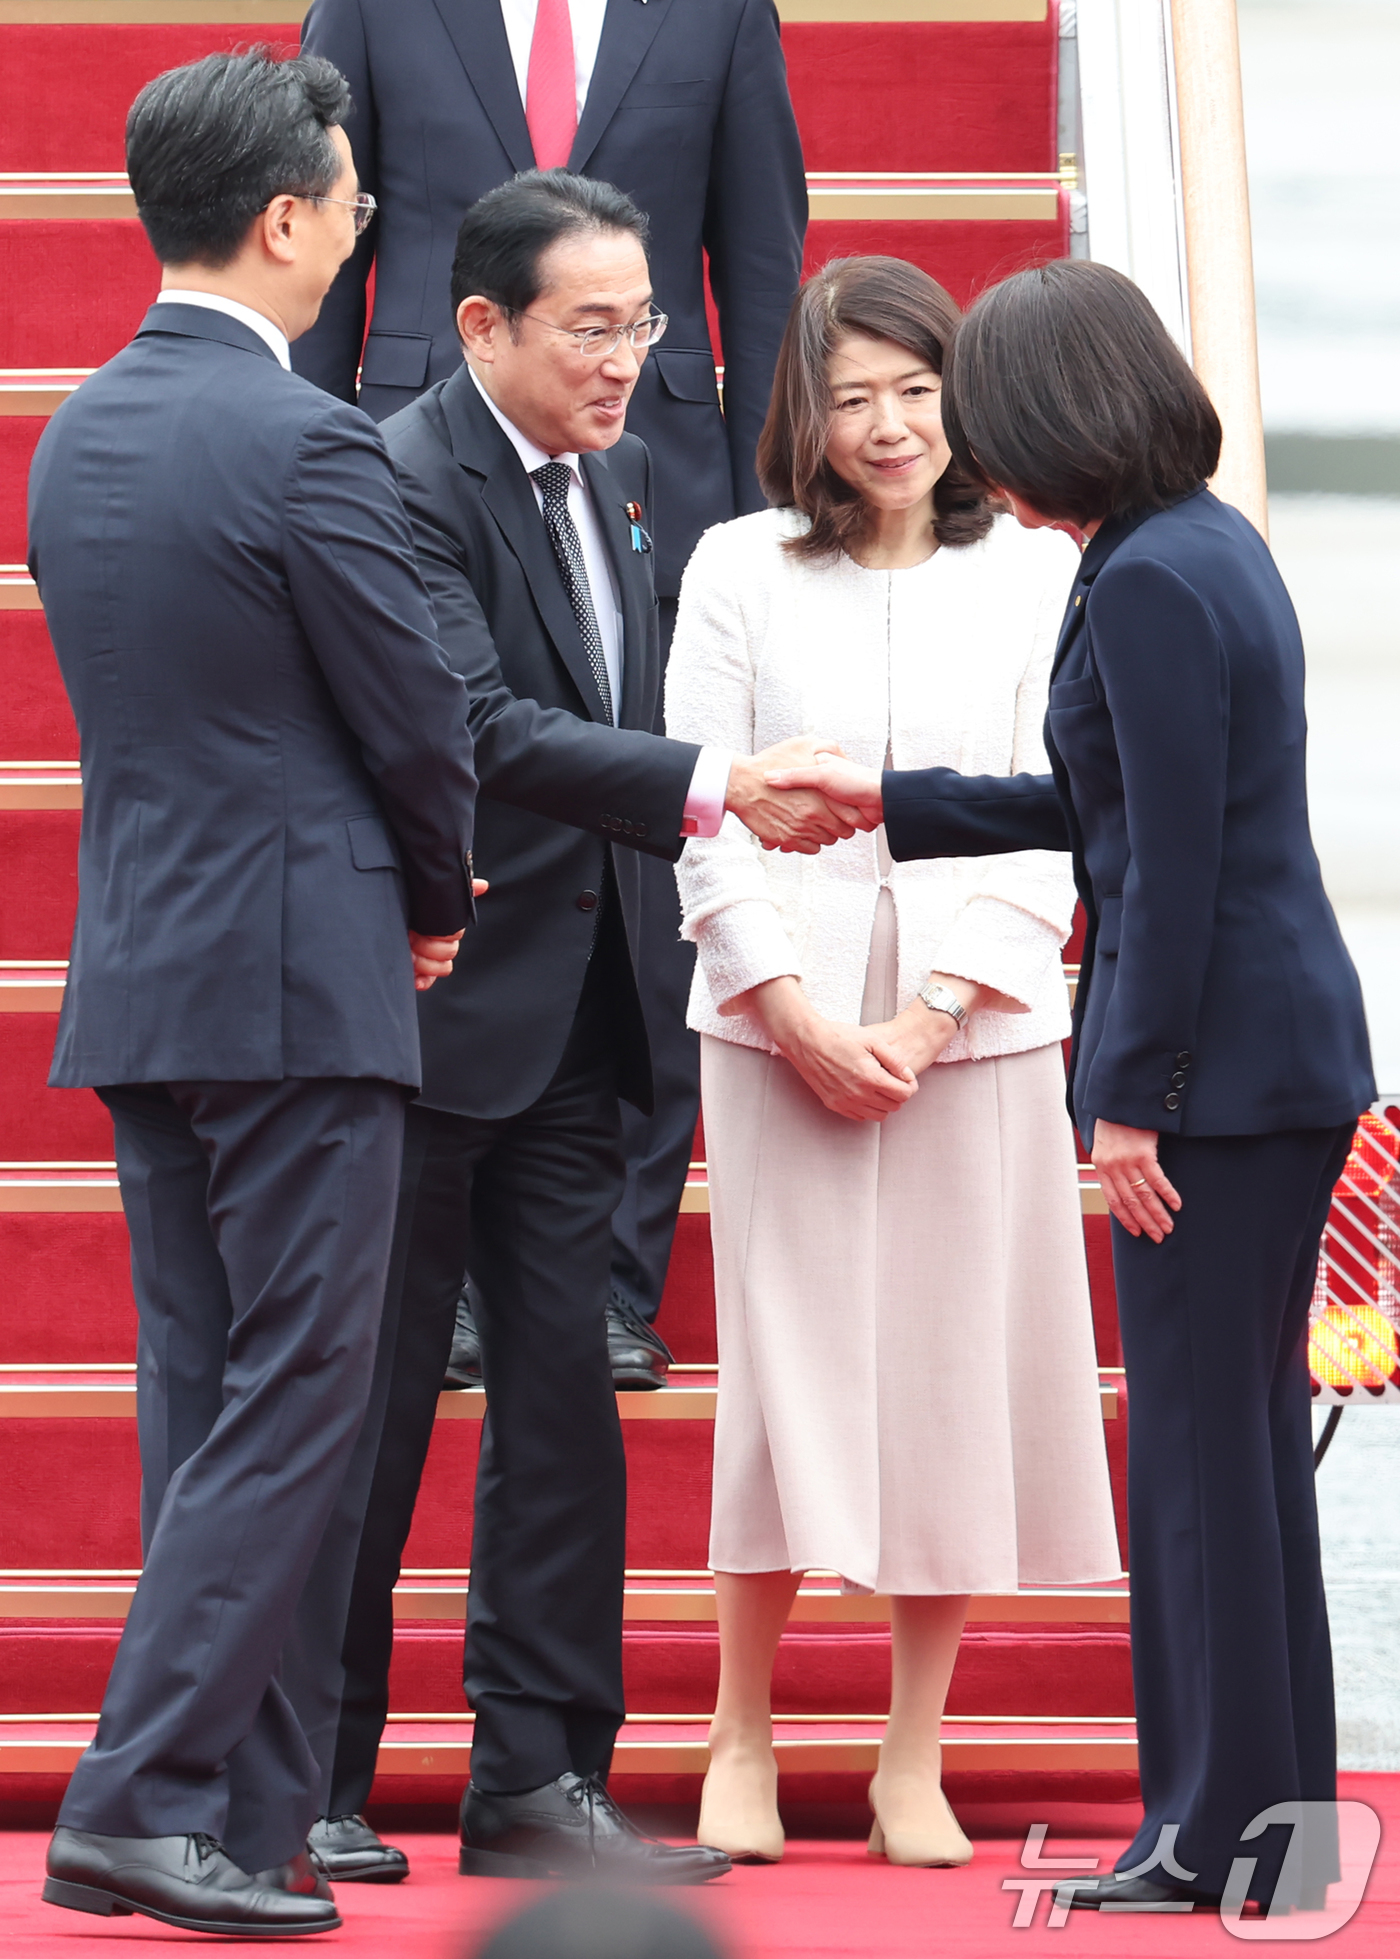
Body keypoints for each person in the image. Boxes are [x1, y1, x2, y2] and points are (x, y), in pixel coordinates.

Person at [772, 259, 1376, 1911]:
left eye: (977, 418)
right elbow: (1099, 801)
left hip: (1221, 1078)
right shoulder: (1190, 546)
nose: (965, 452)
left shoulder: (1151, 577)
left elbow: (1168, 872)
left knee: (1200, 1465)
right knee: (1235, 1462)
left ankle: (1203, 1836)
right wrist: (882, 795)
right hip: (1258, 1062)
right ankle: (1269, 1832)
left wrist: (1127, 1097)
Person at [309, 171, 848, 1889]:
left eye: (647, 324)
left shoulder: (611, 476)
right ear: (482, 325)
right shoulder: (399, 477)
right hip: (425, 1004)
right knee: (371, 1409)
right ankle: (309, 1776)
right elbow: (472, 720)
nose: (632, 361)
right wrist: (717, 789)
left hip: (575, 1014)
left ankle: (537, 1782)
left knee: (561, 1405)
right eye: (593, 328)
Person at [27, 52, 479, 1935]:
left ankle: (252, 1808)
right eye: (355, 202)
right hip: (302, 976)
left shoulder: (75, 430)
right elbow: (416, 716)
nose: (362, 226)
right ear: (288, 220)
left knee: (211, 1401)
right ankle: (140, 1801)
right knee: (299, 1400)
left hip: (147, 968)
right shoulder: (306, 443)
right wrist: (440, 893)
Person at [665, 257, 1122, 1869]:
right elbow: (701, 812)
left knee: (945, 1376)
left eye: (918, 389)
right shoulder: (735, 566)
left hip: (974, 1020)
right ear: (808, 407)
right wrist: (787, 1003)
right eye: (853, 394)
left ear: (962, 396)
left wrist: (934, 1012)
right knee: (780, 1387)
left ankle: (909, 1753)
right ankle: (740, 1731)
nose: (890, 425)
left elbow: (1067, 811)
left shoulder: (1043, 577)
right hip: (774, 1013)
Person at [295, 0, 808, 1386]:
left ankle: (607, 1282)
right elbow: (326, 235)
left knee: (639, 873)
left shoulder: (716, 14)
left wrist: (774, 507)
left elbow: (760, 257)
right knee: (462, 824)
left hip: (659, 482)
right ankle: (455, 1269)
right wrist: (309, 465)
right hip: (423, 465)